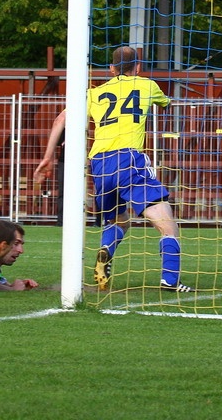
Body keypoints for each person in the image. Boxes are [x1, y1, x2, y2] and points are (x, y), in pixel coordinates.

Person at [87, 46, 192, 292]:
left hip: (99, 164)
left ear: (111, 69)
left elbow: (61, 119)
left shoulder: (93, 93)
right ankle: (170, 279)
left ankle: (106, 250)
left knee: (119, 220)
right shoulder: (147, 85)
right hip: (128, 159)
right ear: (138, 67)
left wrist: (48, 157)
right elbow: (166, 104)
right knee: (167, 224)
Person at [33, 109, 67, 226]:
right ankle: (61, 221)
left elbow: (59, 120)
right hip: (68, 159)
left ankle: (62, 222)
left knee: (64, 191)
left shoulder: (83, 102)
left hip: (72, 160)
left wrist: (48, 157)